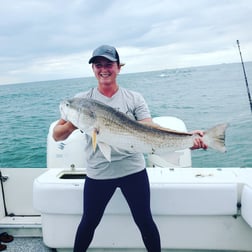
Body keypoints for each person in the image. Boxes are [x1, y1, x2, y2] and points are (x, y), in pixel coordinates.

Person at [53, 45, 207, 252]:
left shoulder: (134, 98)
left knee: (145, 221)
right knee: (89, 223)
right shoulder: (82, 101)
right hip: (99, 173)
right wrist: (78, 121)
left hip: (132, 170)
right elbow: (57, 134)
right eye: (98, 65)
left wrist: (188, 138)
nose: (103, 69)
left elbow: (149, 128)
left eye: (109, 64)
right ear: (93, 69)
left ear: (118, 67)